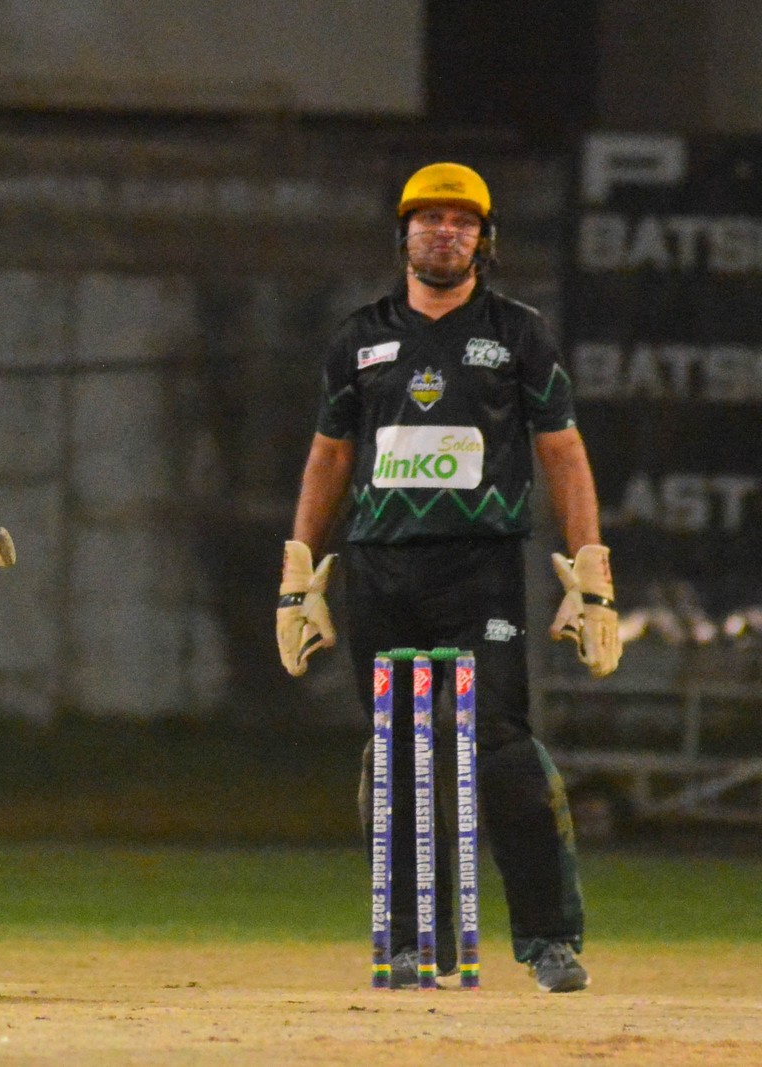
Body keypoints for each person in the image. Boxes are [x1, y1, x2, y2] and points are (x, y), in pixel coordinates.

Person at [275, 162, 621, 993]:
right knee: (398, 749)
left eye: (461, 222)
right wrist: (299, 573)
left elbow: (562, 450)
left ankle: (548, 939)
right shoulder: (360, 337)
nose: (444, 232)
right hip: (382, 568)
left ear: (484, 240)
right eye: (428, 219)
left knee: (498, 743)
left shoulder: (517, 332)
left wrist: (592, 571)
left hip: (482, 567)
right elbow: (329, 456)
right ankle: (406, 940)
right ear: (403, 235)